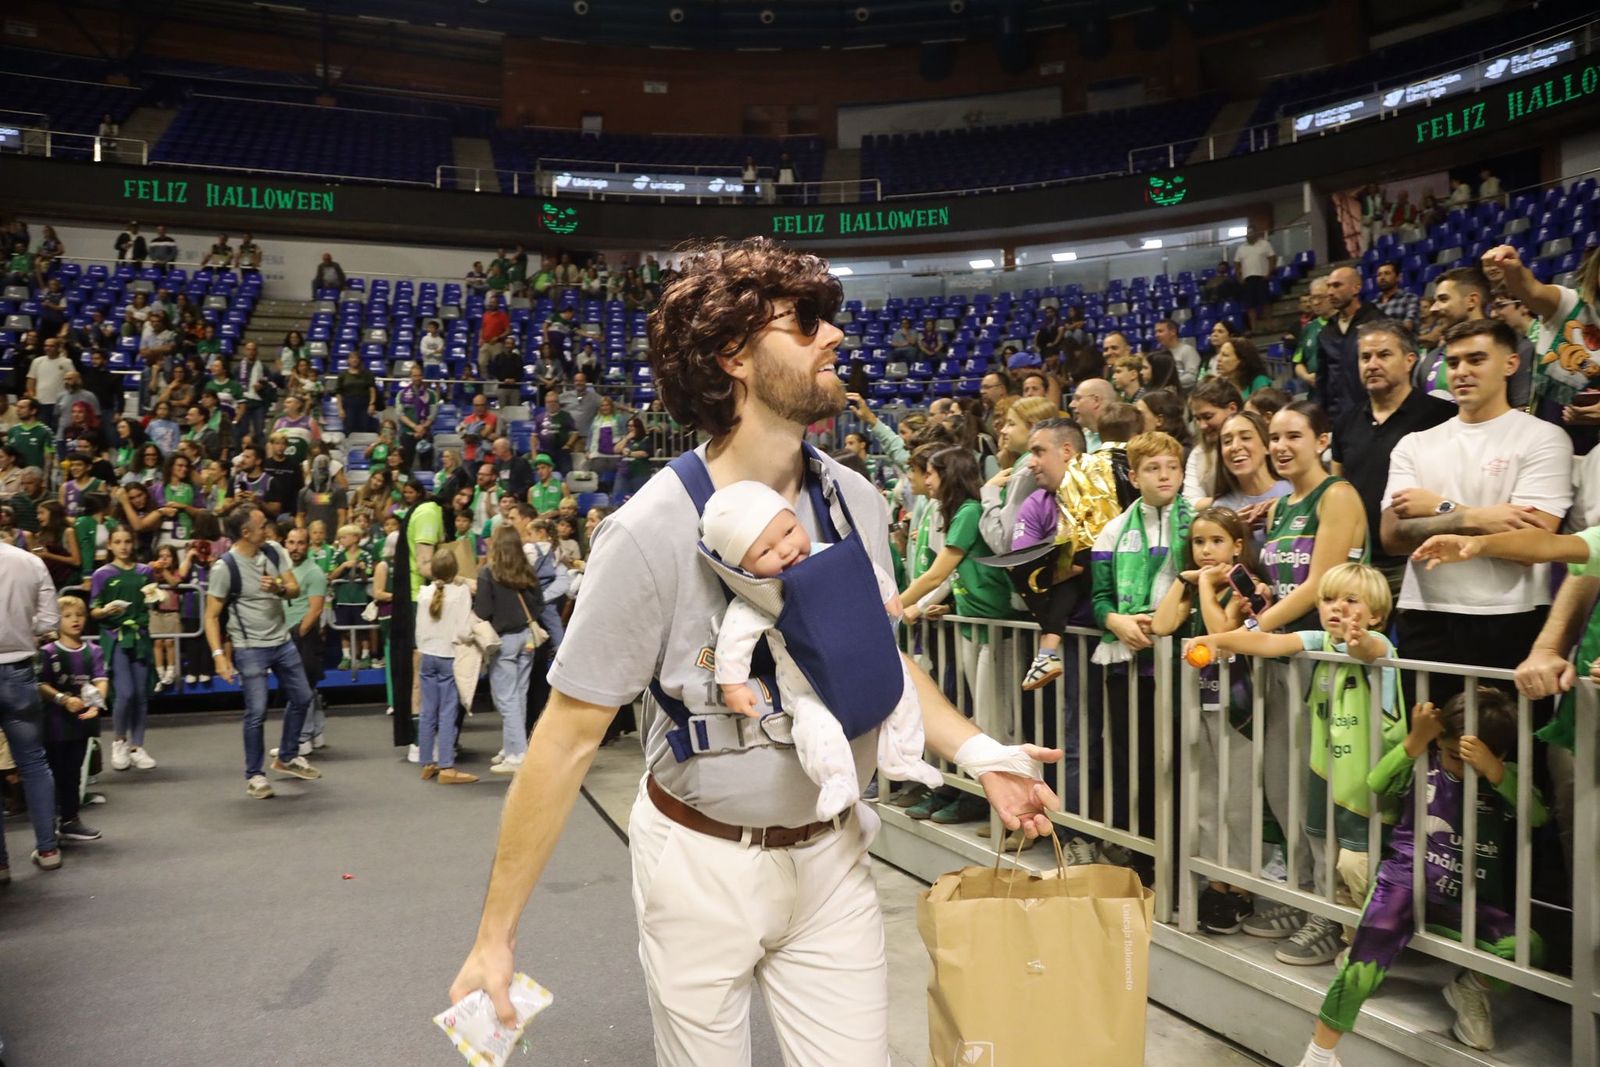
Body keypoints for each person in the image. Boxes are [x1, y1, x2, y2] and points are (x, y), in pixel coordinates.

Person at [448, 238, 1059, 1061]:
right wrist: (495, 937)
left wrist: (983, 752)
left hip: (834, 854)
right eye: (805, 323)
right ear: (734, 356)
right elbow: (564, 740)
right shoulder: (648, 529)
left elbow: (873, 661)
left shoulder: (857, 501)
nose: (834, 335)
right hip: (701, 862)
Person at [1296, 690, 1541, 1063]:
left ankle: (1470, 989)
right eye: (1451, 755)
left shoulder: (1504, 780)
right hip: (1405, 882)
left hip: (1464, 903)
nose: (1457, 766)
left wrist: (1494, 771)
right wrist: (1415, 741)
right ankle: (1318, 1055)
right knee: (1363, 967)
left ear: (1499, 753)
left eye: (1469, 760)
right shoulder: (1422, 764)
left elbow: (1539, 814)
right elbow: (1376, 782)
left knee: (1527, 947)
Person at [1188, 562, 1402, 965]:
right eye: (1328, 599)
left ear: (1375, 615)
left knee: (1357, 860)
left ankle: (1360, 936)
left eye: (1351, 601)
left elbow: (1369, 650)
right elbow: (1270, 644)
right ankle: (1318, 912)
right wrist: (1214, 639)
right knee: (1319, 843)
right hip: (1325, 770)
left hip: (1366, 782)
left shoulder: (1378, 644)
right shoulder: (1320, 639)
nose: (1336, 608)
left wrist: (1358, 641)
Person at [700, 480, 944, 820]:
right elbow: (734, 637)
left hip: (866, 664)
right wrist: (733, 684)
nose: (785, 550)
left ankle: (903, 757)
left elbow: (866, 571)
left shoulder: (830, 555)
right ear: (743, 568)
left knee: (902, 689)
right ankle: (836, 780)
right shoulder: (765, 594)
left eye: (788, 531)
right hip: (808, 687)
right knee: (814, 725)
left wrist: (890, 597)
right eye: (765, 552)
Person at [1379, 319, 1571, 707]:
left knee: (1510, 757)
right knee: (1431, 751)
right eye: (1453, 362)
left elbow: (1531, 543)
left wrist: (1438, 507)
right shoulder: (1415, 444)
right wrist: (1473, 518)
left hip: (1511, 615)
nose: (1462, 371)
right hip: (1425, 615)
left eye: (1476, 359)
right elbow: (1393, 536)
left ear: (1511, 363)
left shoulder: (1543, 438)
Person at [1151, 505, 1263, 934]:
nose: (1206, 551)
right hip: (1201, 703)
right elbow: (1162, 626)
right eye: (1199, 542)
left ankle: (1239, 889)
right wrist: (1183, 581)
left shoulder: (1243, 585)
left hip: (1239, 706)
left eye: (1217, 541)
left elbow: (1221, 637)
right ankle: (1215, 881)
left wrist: (1203, 590)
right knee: (1206, 799)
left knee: (1237, 801)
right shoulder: (1194, 581)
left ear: (1237, 545)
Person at [204, 507, 323, 799]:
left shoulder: (273, 551)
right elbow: (211, 616)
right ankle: (255, 775)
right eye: (261, 525)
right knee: (256, 712)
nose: (267, 529)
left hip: (282, 642)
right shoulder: (225, 568)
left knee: (303, 697)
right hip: (249, 648)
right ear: (246, 533)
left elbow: (294, 589)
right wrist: (219, 655)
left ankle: (287, 756)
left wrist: (280, 589)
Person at [1331, 320, 1455, 597]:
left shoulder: (1441, 416)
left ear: (1410, 360)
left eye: (1384, 355)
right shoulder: (1345, 423)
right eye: (1365, 357)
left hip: (1419, 558)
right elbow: (1337, 491)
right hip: (1360, 563)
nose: (1372, 364)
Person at [0, 536, 64, 877]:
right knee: (34, 763)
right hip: (19, 670)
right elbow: (49, 622)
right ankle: (48, 848)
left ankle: (0, 863)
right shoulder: (29, 561)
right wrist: (23, 629)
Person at [474, 524, 544, 776]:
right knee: (519, 695)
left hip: (504, 641)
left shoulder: (487, 573)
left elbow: (482, 611)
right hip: (528, 638)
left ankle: (517, 755)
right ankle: (511, 746)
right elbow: (540, 605)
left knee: (506, 698)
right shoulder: (527, 570)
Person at [36, 595, 105, 844]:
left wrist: (96, 703)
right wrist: (63, 700)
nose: (75, 620)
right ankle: (48, 825)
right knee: (52, 773)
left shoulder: (93, 651)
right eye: (67, 616)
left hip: (81, 723)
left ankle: (70, 820)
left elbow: (100, 680)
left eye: (79, 615)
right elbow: (40, 684)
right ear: (57, 620)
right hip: (53, 724)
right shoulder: (48, 652)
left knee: (74, 772)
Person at [90, 528, 157, 772]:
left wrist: (157, 597)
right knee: (125, 693)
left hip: (140, 636)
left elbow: (152, 599)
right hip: (115, 638)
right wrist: (106, 611)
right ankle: (119, 741)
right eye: (118, 542)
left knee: (140, 693)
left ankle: (137, 746)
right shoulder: (102, 574)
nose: (123, 546)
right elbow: (94, 610)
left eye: (128, 541)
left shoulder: (145, 572)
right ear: (110, 545)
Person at [415, 548, 476, 785]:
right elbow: (462, 630)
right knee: (448, 711)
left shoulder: (424, 593)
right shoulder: (461, 593)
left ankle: (426, 761)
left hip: (427, 655)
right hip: (449, 656)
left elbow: (419, 630)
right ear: (455, 570)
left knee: (427, 710)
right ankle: (447, 765)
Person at [1234, 227, 1278, 331]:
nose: (1249, 235)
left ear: (1256, 233)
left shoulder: (1265, 244)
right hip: (1248, 279)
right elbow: (1236, 263)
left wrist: (1269, 273)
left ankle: (1269, 325)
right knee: (1250, 305)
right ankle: (1254, 328)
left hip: (1262, 277)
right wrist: (1239, 277)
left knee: (1265, 302)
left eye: (1251, 232)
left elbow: (1272, 258)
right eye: (1247, 233)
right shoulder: (1241, 248)